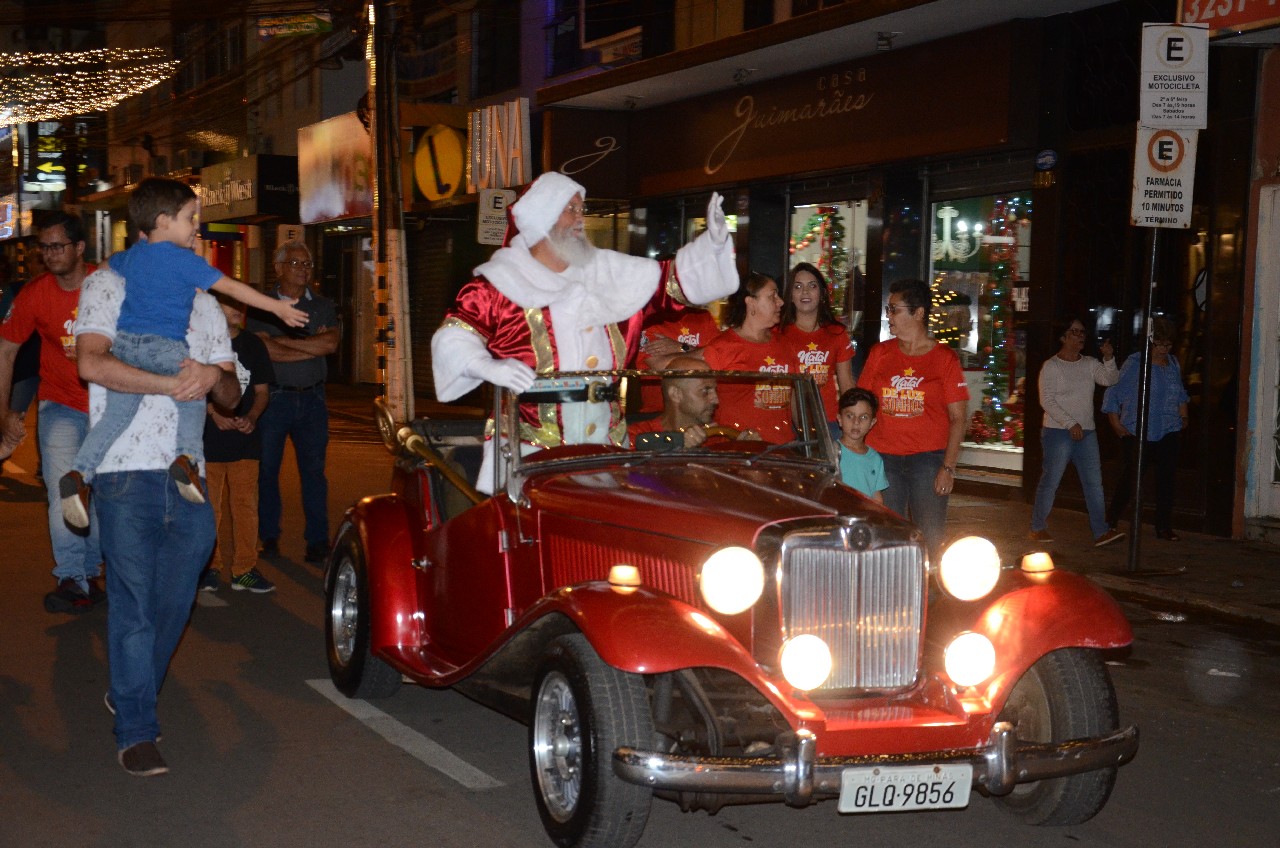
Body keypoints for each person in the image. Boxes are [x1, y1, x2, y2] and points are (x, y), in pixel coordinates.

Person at [431, 171, 736, 491]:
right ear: (542, 218)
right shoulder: (500, 285)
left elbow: (669, 283)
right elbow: (455, 335)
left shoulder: (610, 276)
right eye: (570, 209)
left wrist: (712, 246)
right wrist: (487, 365)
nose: (580, 219)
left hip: (605, 448)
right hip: (530, 454)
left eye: (581, 210)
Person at [59, 178, 306, 529]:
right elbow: (231, 287)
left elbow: (109, 264)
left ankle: (79, 473)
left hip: (126, 346)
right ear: (163, 221)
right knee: (191, 393)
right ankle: (186, 459)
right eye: (190, 218)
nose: (196, 227)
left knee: (116, 417)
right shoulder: (181, 261)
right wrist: (277, 308)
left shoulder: (132, 257)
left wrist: (98, 276)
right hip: (165, 346)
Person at [74, 258, 240, 776]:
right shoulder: (107, 285)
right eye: (187, 225)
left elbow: (232, 397)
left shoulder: (205, 304)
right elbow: (93, 365)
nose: (194, 237)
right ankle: (137, 730)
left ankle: (128, 687)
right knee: (133, 608)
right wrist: (171, 380)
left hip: (188, 477)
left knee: (174, 603)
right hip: (123, 471)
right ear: (156, 229)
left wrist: (212, 375)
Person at [0, 212, 105, 614]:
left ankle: (90, 571)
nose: (49, 254)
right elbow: (6, 349)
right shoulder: (35, 293)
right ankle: (71, 576)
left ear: (79, 248)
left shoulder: (107, 287)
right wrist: (7, 412)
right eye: (44, 247)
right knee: (65, 490)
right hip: (59, 404)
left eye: (57, 246)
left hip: (105, 406)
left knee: (95, 495)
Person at [856, 279, 969, 556]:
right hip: (884, 459)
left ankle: (926, 595)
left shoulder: (945, 358)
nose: (889, 316)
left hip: (928, 461)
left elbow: (958, 418)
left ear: (918, 313)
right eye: (888, 309)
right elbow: (860, 407)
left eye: (894, 309)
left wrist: (948, 468)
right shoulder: (880, 354)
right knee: (886, 537)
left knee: (929, 539)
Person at [246, 239, 341, 563]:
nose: (304, 270)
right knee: (267, 470)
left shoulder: (323, 305)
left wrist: (285, 344)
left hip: (313, 399)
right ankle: (268, 536)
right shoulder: (263, 306)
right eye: (297, 264)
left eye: (307, 264)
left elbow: (331, 345)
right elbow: (264, 350)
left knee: (314, 473)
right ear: (279, 268)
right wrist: (310, 344)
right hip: (275, 399)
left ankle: (317, 541)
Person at [200, 294, 277, 594]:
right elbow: (189, 386)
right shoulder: (201, 343)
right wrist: (213, 412)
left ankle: (244, 568)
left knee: (246, 505)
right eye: (230, 304)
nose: (238, 310)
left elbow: (262, 391)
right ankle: (210, 567)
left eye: (239, 304)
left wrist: (253, 417)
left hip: (246, 440)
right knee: (211, 508)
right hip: (209, 440)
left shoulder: (253, 345)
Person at [1028, 317, 1124, 547]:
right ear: (1063, 337)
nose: (1080, 336)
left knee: (1094, 483)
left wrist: (1109, 358)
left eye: (1082, 332)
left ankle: (1101, 531)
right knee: (1051, 480)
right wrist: (1071, 423)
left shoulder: (1090, 363)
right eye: (1074, 331)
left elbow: (1110, 379)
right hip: (1058, 431)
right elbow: (1047, 400)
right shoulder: (1052, 366)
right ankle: (1037, 526)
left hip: (1087, 432)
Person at [1102, 316, 1190, 541]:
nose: (1163, 349)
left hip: (1168, 428)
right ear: (1150, 342)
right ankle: (1110, 518)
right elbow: (1114, 390)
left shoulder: (1173, 364)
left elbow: (1179, 393)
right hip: (1138, 430)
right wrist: (1115, 422)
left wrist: (1183, 416)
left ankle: (1163, 527)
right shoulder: (1136, 362)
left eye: (1168, 345)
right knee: (1131, 478)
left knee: (1166, 480)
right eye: (1159, 344)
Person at [696, 272, 794, 443]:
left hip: (782, 450)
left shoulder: (785, 345)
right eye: (772, 296)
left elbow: (794, 400)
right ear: (751, 302)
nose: (781, 302)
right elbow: (700, 405)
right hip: (735, 451)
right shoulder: (721, 348)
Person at [779, 263, 855, 427]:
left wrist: (851, 421)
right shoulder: (778, 334)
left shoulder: (837, 333)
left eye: (812, 286)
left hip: (830, 422)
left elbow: (846, 383)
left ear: (821, 293)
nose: (805, 292)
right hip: (788, 424)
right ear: (790, 295)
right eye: (798, 286)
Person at [628, 355, 760, 447]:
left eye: (715, 390)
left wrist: (744, 448)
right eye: (705, 390)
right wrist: (677, 446)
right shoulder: (637, 435)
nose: (716, 400)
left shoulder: (720, 438)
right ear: (676, 394)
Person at [836, 387, 887, 503]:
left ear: (872, 423)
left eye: (864, 417)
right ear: (839, 419)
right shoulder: (831, 452)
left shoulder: (875, 459)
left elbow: (877, 499)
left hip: (865, 517)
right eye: (850, 415)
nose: (856, 422)